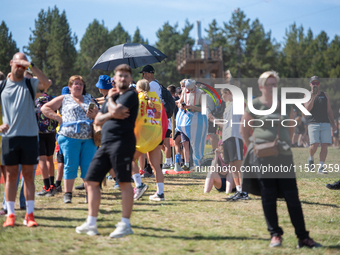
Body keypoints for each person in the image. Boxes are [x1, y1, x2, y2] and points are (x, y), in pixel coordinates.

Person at [240, 71, 320, 248]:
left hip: (283, 156)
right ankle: (275, 235)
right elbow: (244, 131)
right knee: (268, 195)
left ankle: (303, 237)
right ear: (260, 86)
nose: (272, 87)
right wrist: (255, 147)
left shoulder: (285, 105)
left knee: (292, 196)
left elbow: (290, 128)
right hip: (262, 157)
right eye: (268, 84)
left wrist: (283, 144)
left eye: (274, 84)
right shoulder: (254, 105)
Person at [75, 64, 138, 238]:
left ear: (130, 79)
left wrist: (110, 102)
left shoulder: (131, 95)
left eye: (126, 75)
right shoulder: (114, 95)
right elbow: (98, 120)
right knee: (91, 180)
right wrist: (112, 113)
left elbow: (116, 110)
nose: (123, 78)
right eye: (120, 76)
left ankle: (125, 224)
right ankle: (91, 223)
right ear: (115, 79)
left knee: (124, 183)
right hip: (105, 143)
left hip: (122, 143)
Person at [1, 52, 50, 228]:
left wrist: (32, 65)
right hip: (9, 138)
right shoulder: (3, 85)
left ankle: (29, 215)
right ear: (11, 63)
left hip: (30, 137)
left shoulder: (30, 83)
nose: (20, 67)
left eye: (23, 64)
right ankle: (11, 215)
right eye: (18, 63)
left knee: (29, 176)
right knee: (10, 176)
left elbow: (46, 83)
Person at [41, 75, 98, 204]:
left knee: (87, 166)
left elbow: (99, 115)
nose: (78, 86)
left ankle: (88, 194)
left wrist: (95, 114)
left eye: (81, 84)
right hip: (69, 138)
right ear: (70, 87)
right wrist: (58, 118)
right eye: (76, 84)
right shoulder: (64, 98)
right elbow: (45, 108)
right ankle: (68, 193)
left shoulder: (89, 98)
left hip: (89, 139)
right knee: (70, 165)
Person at [132, 79, 168, 201]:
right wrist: (162, 137)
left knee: (130, 159)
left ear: (138, 88)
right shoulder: (158, 99)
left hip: (143, 135)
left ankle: (139, 185)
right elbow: (165, 120)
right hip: (157, 136)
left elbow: (134, 118)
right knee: (156, 166)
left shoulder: (138, 98)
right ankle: (160, 193)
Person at [210, 88, 248, 201]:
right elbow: (226, 125)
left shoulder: (238, 103)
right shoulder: (228, 107)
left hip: (235, 136)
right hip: (226, 137)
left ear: (230, 93)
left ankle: (245, 191)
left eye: (223, 94)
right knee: (232, 165)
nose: (222, 97)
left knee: (238, 165)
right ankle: (239, 190)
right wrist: (214, 120)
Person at [304, 76, 336, 173]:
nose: (315, 85)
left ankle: (321, 167)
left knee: (324, 145)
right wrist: (313, 97)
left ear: (319, 84)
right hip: (313, 123)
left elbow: (329, 110)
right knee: (314, 145)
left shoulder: (324, 95)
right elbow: (307, 110)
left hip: (325, 123)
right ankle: (311, 158)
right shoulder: (307, 95)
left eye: (317, 83)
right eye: (313, 83)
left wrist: (333, 124)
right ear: (310, 84)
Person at [176, 79, 208, 168]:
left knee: (197, 144)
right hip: (185, 120)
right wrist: (181, 105)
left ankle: (198, 164)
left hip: (198, 121)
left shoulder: (201, 93)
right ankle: (186, 163)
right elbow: (180, 102)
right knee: (185, 143)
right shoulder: (184, 91)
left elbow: (204, 108)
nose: (189, 91)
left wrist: (193, 107)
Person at [35, 81, 58, 197]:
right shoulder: (51, 99)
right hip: (51, 133)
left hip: (39, 132)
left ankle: (46, 187)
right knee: (50, 159)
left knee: (42, 160)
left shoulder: (34, 100)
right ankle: (52, 185)